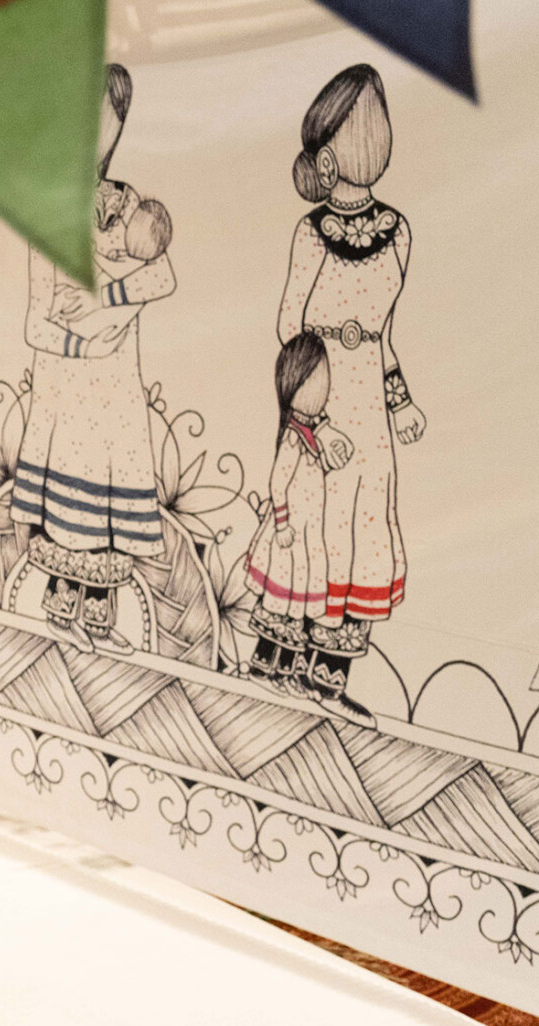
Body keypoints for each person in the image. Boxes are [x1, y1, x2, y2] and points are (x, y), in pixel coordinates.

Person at [8, 65, 176, 655]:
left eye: (107, 122)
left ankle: (100, 620)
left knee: (108, 511)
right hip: (69, 387)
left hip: (114, 389)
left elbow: (162, 275)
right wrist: (84, 341)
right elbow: (35, 322)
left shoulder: (128, 206)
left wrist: (106, 299)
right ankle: (61, 611)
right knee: (70, 513)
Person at [269, 62, 418, 725]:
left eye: (378, 120)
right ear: (329, 148)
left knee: (365, 531)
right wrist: (314, 414)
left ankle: (330, 677)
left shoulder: (398, 232)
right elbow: (289, 326)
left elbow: (385, 334)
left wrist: (400, 399)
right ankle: (281, 664)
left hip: (370, 413)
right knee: (313, 525)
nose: (373, 135)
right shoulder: (311, 233)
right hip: (320, 392)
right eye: (359, 123)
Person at [242, 332, 349, 697]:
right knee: (280, 606)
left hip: (308, 538)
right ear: (294, 384)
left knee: (295, 612)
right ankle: (263, 665)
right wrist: (282, 522)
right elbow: (278, 483)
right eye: (314, 379)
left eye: (325, 378)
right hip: (290, 538)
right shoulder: (293, 437)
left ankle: (285, 671)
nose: (323, 388)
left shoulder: (312, 437)